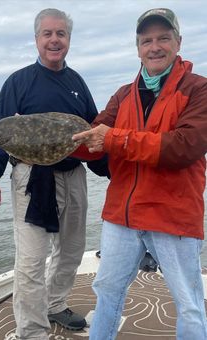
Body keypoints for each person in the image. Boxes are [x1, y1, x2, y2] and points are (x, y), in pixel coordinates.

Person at [71, 7, 207, 340]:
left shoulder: (199, 90)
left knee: (188, 302)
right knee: (107, 289)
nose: (154, 46)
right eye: (147, 40)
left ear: (178, 42)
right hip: (122, 215)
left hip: (172, 215)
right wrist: (39, 134)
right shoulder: (122, 95)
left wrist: (111, 138)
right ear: (137, 48)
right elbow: (92, 140)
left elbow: (182, 147)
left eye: (163, 38)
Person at [0, 8, 109, 340]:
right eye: (47, 33)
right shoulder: (18, 82)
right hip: (32, 178)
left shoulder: (77, 82)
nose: (54, 40)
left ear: (68, 40)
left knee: (72, 250)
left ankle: (55, 303)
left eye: (61, 34)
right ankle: (31, 331)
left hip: (72, 175)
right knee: (32, 261)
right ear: (37, 39)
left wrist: (111, 170)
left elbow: (91, 134)